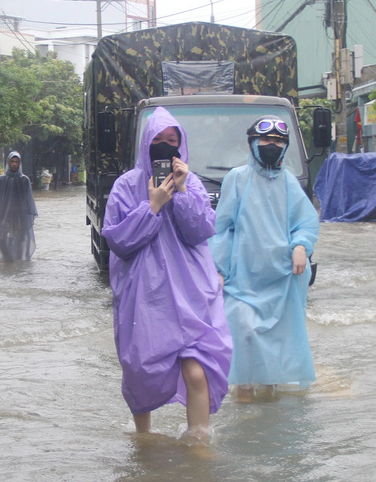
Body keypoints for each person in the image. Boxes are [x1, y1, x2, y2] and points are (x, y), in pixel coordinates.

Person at [101, 107, 232, 443]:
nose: (164, 146)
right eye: (157, 140)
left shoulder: (194, 183)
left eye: (171, 141)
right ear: (146, 143)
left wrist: (183, 192)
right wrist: (153, 205)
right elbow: (117, 240)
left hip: (190, 292)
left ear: (181, 145)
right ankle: (142, 438)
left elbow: (201, 230)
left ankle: (199, 439)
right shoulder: (125, 185)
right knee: (140, 371)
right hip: (144, 294)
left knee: (196, 369)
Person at [209, 115, 320, 402]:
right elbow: (221, 228)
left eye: (278, 141)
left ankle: (269, 397)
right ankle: (243, 395)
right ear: (253, 143)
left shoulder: (289, 183)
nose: (272, 145)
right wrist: (218, 269)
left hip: (282, 276)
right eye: (266, 140)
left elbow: (306, 222)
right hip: (242, 277)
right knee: (243, 330)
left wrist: (300, 246)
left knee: (277, 338)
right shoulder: (237, 178)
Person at [0, 151, 37, 262]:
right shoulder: (1, 180)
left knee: (21, 238)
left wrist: (27, 216)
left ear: (19, 163)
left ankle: (19, 259)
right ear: (8, 162)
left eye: (16, 162)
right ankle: (7, 259)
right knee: (2, 237)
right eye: (12, 161)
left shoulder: (24, 180)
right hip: (4, 214)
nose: (14, 164)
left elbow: (28, 199)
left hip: (20, 215)